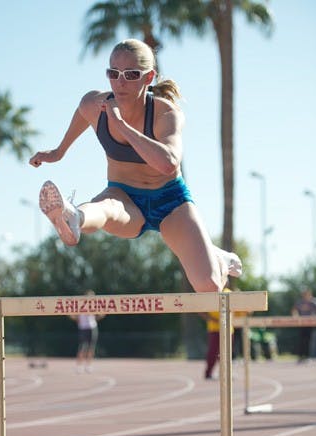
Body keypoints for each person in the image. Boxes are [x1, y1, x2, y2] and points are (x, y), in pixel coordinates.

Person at [29, 38, 242, 293]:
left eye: (131, 75)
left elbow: (168, 164)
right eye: (113, 73)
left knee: (208, 287)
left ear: (148, 77)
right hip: (124, 197)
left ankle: (219, 258)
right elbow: (82, 113)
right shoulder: (93, 104)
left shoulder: (166, 113)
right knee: (107, 206)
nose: (120, 82)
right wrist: (58, 152)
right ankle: (73, 216)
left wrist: (121, 126)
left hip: (170, 202)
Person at [200, 285, 234, 380]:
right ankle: (208, 373)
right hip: (214, 328)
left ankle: (225, 374)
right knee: (213, 352)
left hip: (228, 328)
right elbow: (201, 309)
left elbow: (238, 310)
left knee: (227, 352)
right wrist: (211, 319)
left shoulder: (229, 292)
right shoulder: (210, 293)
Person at [70, 290, 104, 373]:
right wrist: (77, 319)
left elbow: (100, 314)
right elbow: (73, 315)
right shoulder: (80, 305)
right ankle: (79, 365)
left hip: (92, 327)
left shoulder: (94, 305)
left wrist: (99, 315)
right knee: (82, 347)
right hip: (83, 328)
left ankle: (88, 365)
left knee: (91, 348)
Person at [292, 288, 316, 363]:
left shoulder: (314, 301)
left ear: (310, 294)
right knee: (301, 340)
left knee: (308, 340)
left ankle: (307, 357)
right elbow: (294, 310)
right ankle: (300, 357)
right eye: (304, 294)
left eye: (306, 294)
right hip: (301, 323)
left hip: (310, 323)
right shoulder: (300, 302)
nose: (305, 295)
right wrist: (295, 317)